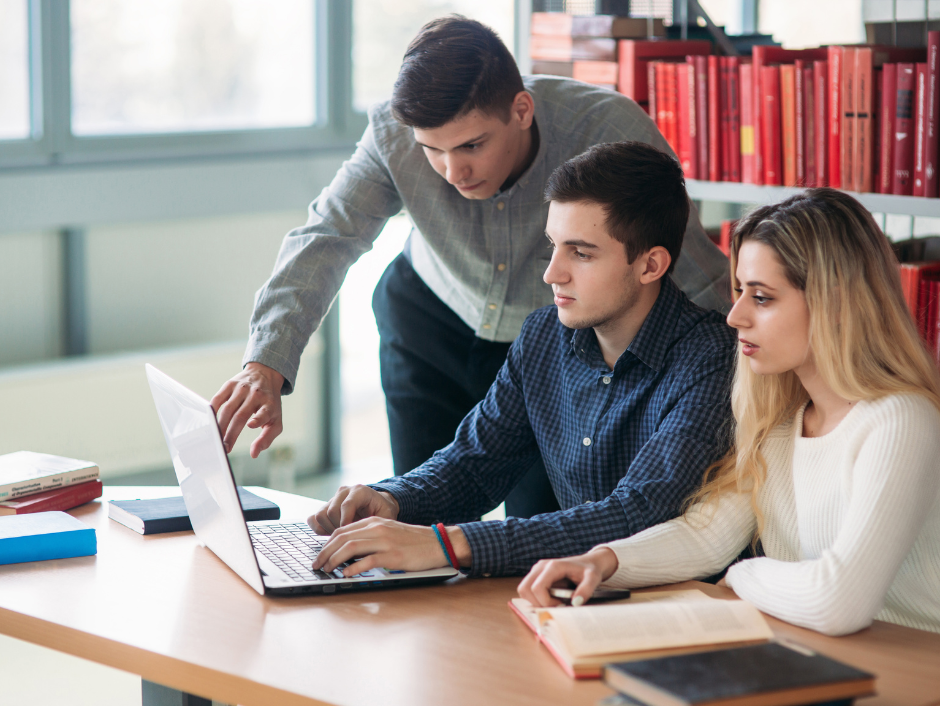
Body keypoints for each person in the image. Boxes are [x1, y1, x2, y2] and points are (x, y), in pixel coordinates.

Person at [209, 16, 730, 519]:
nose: (452, 171)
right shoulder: (392, 133)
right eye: (432, 151)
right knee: (411, 509)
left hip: (548, 346)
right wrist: (266, 364)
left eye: (472, 145)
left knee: (539, 527)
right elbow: (327, 235)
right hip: (428, 322)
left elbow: (687, 265)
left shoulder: (607, 129)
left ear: (521, 109)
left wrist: (750, 378)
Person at [305, 141, 737, 580]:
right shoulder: (543, 336)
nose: (553, 273)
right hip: (577, 599)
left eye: (581, 253)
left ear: (650, 265)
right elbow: (475, 463)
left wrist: (448, 544)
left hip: (681, 608)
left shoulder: (713, 359)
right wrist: (393, 499)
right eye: (553, 246)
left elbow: (637, 516)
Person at [518, 188, 940, 636]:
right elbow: (706, 535)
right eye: (738, 292)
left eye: (761, 298)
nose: (734, 316)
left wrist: (743, 574)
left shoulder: (900, 419)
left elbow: (838, 603)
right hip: (823, 658)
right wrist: (600, 561)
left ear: (834, 303)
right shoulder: (782, 421)